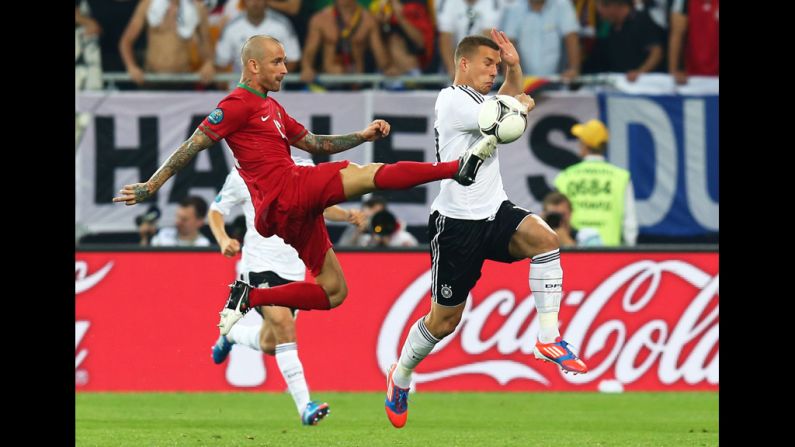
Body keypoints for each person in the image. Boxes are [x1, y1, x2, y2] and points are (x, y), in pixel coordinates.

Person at [113, 34, 497, 336]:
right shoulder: (237, 103)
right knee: (369, 175)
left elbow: (316, 144)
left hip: (284, 212)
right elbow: (193, 144)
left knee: (334, 293)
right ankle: (455, 168)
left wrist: (361, 136)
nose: (284, 69)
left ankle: (250, 295)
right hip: (287, 189)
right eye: (277, 62)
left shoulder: (272, 109)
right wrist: (151, 185)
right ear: (253, 65)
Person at [383, 31, 588, 430]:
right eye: (487, 64)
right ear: (463, 64)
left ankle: (549, 337)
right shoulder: (453, 100)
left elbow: (509, 106)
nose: (493, 72)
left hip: (493, 210)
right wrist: (521, 105)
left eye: (496, 66)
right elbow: (506, 121)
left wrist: (515, 67)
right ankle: (402, 374)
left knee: (546, 240)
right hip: (456, 224)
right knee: (443, 322)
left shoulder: (484, 99)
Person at [208, 160, 362, 425]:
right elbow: (216, 210)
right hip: (259, 267)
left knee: (271, 343)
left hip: (294, 270)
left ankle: (232, 335)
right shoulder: (244, 172)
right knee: (284, 326)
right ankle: (305, 406)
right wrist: (223, 240)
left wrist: (346, 216)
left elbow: (318, 203)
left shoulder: (303, 166)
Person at [554, 118, 637, 246]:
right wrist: (628, 252)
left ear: (584, 145)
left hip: (573, 251)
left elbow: (556, 219)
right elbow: (629, 224)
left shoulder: (564, 176)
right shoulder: (621, 176)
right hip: (611, 254)